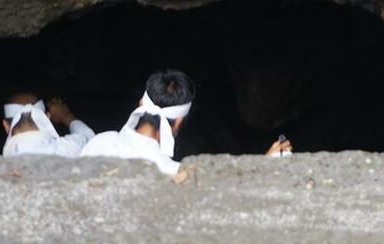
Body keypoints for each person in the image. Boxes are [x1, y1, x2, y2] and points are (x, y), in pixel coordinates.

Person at [81, 69, 292, 175]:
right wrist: (264, 164)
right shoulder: (168, 171)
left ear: (140, 103)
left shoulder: (99, 142)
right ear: (179, 122)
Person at [2, 92, 95, 157]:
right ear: (47, 118)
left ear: (6, 125)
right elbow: (89, 137)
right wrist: (65, 116)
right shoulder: (67, 149)